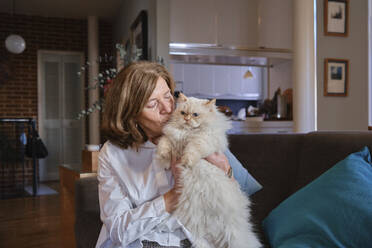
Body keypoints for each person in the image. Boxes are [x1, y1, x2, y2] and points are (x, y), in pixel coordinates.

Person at [96, 61, 242, 248]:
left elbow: (231, 210)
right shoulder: (112, 154)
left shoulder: (200, 133)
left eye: (167, 96)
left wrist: (227, 172)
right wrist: (175, 195)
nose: (167, 108)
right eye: (153, 104)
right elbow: (118, 230)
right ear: (131, 114)